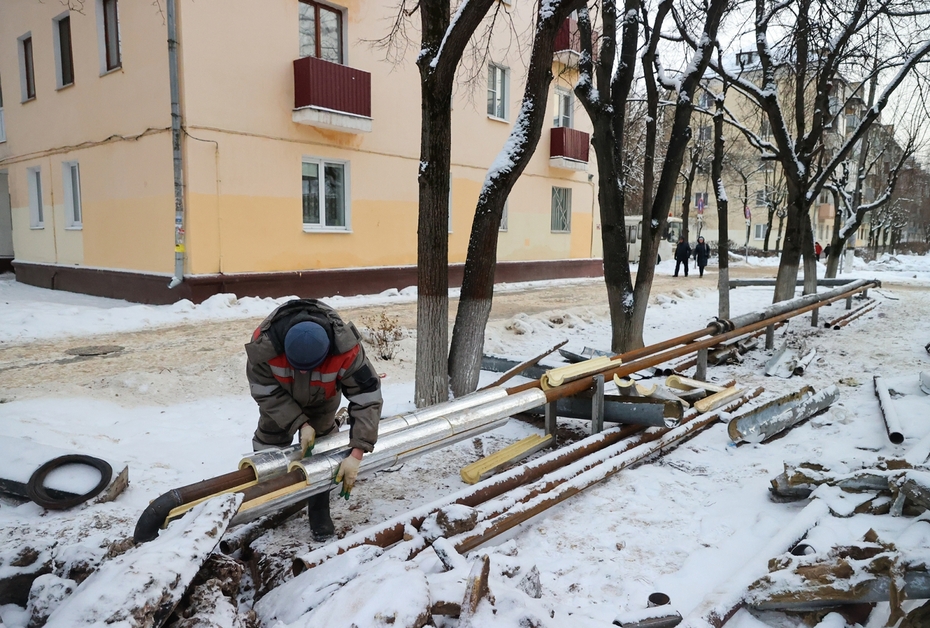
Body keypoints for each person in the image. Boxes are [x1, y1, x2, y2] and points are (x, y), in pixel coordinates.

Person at [245, 299, 382, 540]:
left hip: (323, 399)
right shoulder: (264, 347)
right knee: (269, 442)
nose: (304, 373)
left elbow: (367, 397)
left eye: (311, 367)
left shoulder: (346, 349)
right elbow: (264, 390)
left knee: (321, 449)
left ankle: (319, 508)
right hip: (280, 399)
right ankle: (267, 503)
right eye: (298, 367)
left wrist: (358, 451)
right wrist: (298, 422)